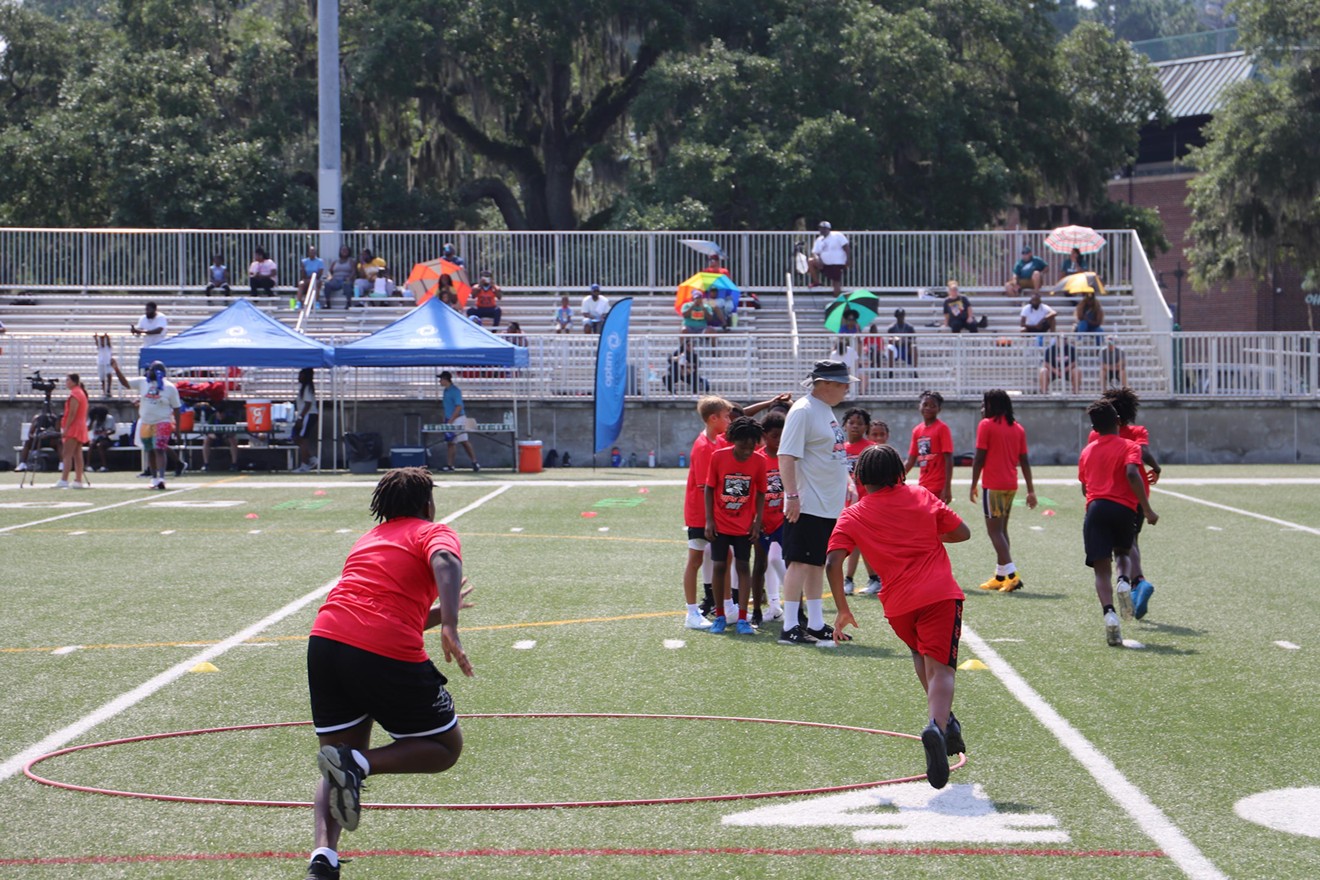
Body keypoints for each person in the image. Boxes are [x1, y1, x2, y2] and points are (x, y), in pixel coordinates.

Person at [304, 467, 474, 879]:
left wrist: (432, 617)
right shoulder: (431, 531)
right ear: (427, 503)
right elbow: (446, 561)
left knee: (337, 759)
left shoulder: (369, 539)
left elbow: (377, 608)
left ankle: (322, 857)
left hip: (325, 641)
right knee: (443, 748)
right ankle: (360, 763)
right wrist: (450, 622)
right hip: (383, 651)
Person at [826, 444, 971, 789]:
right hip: (939, 595)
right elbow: (962, 532)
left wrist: (843, 610)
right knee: (942, 669)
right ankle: (937, 726)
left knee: (920, 655)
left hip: (898, 606)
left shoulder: (853, 515)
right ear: (900, 473)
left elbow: (832, 562)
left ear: (860, 478)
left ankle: (946, 722)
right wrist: (931, 533)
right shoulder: (920, 495)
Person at [777, 360, 854, 646]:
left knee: (816, 564)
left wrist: (848, 481)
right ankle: (789, 626)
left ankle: (817, 622)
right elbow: (786, 456)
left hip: (827, 503)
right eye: (842, 383)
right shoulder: (803, 411)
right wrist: (792, 496)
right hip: (808, 501)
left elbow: (832, 453)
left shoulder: (825, 410)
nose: (847, 388)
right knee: (798, 563)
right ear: (825, 384)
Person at [1078, 400, 1158, 647]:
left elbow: (1084, 486)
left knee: (1101, 568)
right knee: (1123, 553)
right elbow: (1133, 473)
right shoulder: (1129, 446)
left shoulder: (1087, 451)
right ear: (1118, 421)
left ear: (1094, 427)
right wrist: (1146, 508)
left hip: (1095, 508)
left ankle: (1110, 614)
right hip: (1124, 508)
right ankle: (1124, 581)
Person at [969, 389, 1037, 592]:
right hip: (1010, 485)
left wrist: (973, 483)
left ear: (992, 406)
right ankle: (1000, 576)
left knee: (994, 532)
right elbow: (1024, 461)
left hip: (994, 485)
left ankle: (1013, 575)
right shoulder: (1018, 428)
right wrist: (1030, 490)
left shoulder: (986, 425)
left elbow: (979, 457)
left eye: (985, 404)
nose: (982, 408)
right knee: (1002, 530)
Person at [704, 417, 768, 635]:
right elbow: (710, 488)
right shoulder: (718, 457)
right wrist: (710, 520)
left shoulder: (759, 461)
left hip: (744, 526)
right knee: (719, 567)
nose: (747, 451)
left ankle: (742, 618)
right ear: (733, 440)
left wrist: (756, 522)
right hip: (720, 524)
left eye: (752, 447)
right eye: (743, 447)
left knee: (743, 567)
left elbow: (761, 492)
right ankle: (720, 615)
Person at [681, 396, 733, 626]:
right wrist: (714, 518)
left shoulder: (720, 441)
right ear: (713, 419)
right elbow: (706, 488)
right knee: (695, 560)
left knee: (727, 556)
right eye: (726, 417)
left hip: (716, 514)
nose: (729, 420)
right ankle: (692, 613)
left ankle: (728, 606)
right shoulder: (703, 447)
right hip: (701, 514)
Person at [111, 357, 181, 490]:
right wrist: (116, 369)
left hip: (162, 421)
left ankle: (161, 478)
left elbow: (177, 408)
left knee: (159, 449)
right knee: (149, 450)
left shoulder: (169, 387)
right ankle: (154, 478)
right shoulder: (143, 382)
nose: (150, 372)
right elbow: (126, 383)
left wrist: (177, 428)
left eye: (152, 370)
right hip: (146, 422)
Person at [751, 410, 787, 627]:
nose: (779, 440)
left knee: (784, 562)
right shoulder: (758, 459)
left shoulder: (789, 458)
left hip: (784, 520)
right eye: (775, 435)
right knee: (760, 564)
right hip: (762, 521)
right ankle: (756, 610)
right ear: (764, 435)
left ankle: (794, 608)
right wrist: (755, 520)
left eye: (783, 435)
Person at [840, 407, 880, 597]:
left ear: (866, 427)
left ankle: (871, 578)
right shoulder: (839, 449)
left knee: (862, 542)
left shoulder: (870, 447)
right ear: (845, 425)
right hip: (846, 504)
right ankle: (854, 579)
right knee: (852, 542)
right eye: (851, 422)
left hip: (867, 503)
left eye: (860, 423)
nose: (855, 426)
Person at [905, 390, 954, 504]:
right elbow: (911, 460)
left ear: (939, 409)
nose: (928, 408)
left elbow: (949, 458)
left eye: (933, 406)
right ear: (919, 406)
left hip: (938, 485)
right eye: (925, 405)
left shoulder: (942, 428)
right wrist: (896, 478)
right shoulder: (917, 430)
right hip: (923, 485)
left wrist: (947, 487)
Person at [436, 371, 479, 473]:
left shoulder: (455, 391)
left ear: (446, 379)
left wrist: (450, 420)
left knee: (463, 441)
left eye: (441, 379)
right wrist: (446, 419)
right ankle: (450, 465)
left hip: (458, 419)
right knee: (451, 442)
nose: (439, 381)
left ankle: (474, 462)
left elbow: (459, 407)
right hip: (450, 419)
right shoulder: (446, 391)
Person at [55, 373, 90, 489]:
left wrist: (66, 428)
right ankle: (78, 480)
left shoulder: (75, 394)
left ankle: (64, 479)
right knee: (77, 454)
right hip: (80, 425)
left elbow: (72, 413)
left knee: (67, 453)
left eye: (68, 380)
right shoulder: (80, 392)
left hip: (74, 426)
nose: (66, 382)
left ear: (74, 381)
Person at [809, 221, 850, 295]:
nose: (823, 230)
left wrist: (848, 259)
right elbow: (814, 252)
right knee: (810, 261)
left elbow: (846, 247)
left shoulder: (837, 235)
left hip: (837, 263)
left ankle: (837, 299)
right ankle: (816, 282)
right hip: (824, 264)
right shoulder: (819, 239)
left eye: (825, 229)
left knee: (836, 281)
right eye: (821, 228)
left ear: (829, 229)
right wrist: (818, 259)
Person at [293, 368, 320, 473]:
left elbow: (308, 404)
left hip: (309, 415)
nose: (298, 377)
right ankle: (312, 459)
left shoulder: (307, 387)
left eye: (300, 375)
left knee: (303, 439)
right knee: (296, 438)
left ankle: (304, 465)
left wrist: (301, 417)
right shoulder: (303, 388)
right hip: (305, 415)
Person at [887, 308, 919, 373]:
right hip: (896, 348)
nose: (900, 318)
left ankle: (914, 371)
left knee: (914, 347)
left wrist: (905, 340)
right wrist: (896, 339)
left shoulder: (909, 328)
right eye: (899, 316)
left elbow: (913, 340)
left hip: (906, 348)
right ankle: (891, 371)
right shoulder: (892, 328)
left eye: (902, 316)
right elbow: (889, 339)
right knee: (890, 348)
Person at [87, 406, 117, 473]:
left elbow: (113, 431)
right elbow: (87, 429)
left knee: (100, 445)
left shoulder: (109, 418)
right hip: (95, 439)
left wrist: (106, 433)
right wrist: (92, 421)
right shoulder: (92, 419)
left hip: (106, 439)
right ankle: (88, 466)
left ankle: (104, 466)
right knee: (91, 445)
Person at [93, 333, 114, 397]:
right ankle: (104, 391)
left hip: (108, 362)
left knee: (109, 375)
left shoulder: (108, 347)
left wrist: (106, 336)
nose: (102, 341)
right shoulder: (99, 347)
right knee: (102, 378)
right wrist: (96, 338)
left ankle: (108, 390)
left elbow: (108, 340)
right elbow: (97, 342)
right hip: (100, 363)